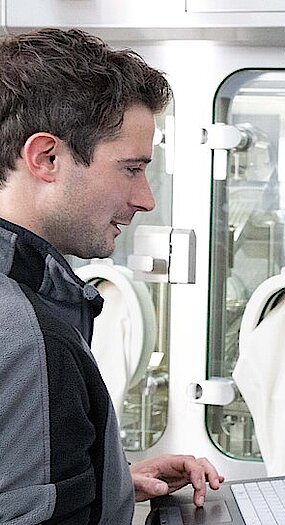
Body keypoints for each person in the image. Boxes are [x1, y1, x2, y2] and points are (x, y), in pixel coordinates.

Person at [0, 28, 223, 524]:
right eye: (131, 169)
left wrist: (109, 482)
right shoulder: (30, 337)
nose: (146, 199)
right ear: (47, 158)